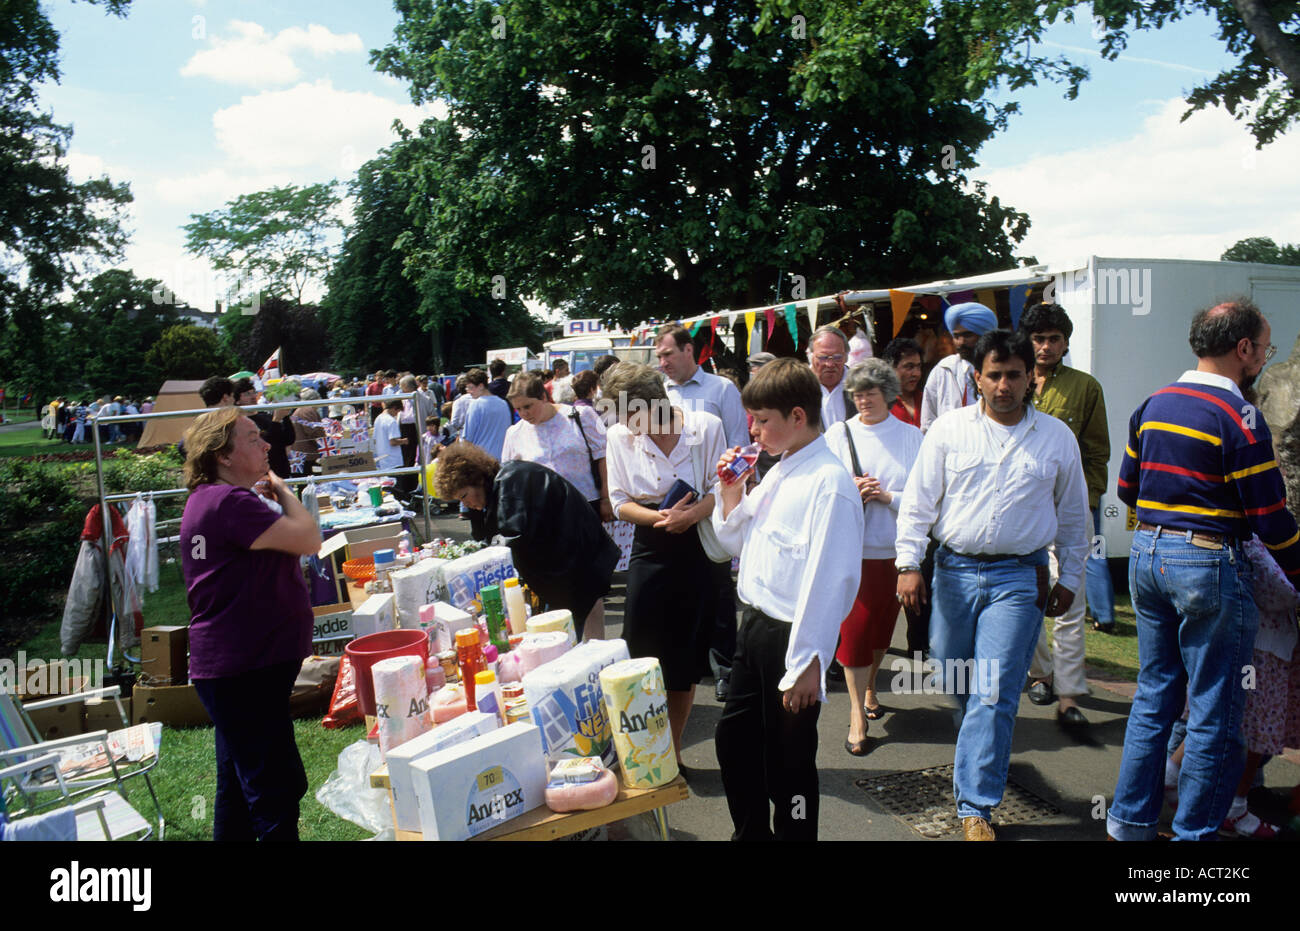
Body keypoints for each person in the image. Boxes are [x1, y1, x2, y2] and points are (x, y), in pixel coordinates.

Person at [1107, 299, 1300, 842]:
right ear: (1243, 350)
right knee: (1215, 709)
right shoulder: (1239, 416)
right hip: (1208, 561)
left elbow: (1126, 489)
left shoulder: (1153, 403)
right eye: (1264, 348)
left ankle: (1127, 825)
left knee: (1154, 698)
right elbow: (1269, 517)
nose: (1264, 357)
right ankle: (1195, 835)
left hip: (1147, 556)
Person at [896, 329, 1089, 841]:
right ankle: (979, 747)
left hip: (1019, 577)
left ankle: (975, 807)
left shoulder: (1056, 437)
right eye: (994, 374)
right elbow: (918, 501)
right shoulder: (948, 431)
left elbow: (1073, 516)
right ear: (977, 377)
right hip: (953, 573)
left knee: (994, 692)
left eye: (1015, 375)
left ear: (1032, 379)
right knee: (954, 676)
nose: (1004, 385)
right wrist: (908, 563)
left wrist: (1070, 575)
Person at [711, 358, 864, 839]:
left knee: (790, 765)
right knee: (736, 743)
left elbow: (829, 581)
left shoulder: (829, 482)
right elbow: (735, 542)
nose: (753, 431)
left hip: (791, 637)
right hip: (755, 629)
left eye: (762, 420)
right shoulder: (779, 470)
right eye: (752, 419)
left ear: (798, 416)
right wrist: (730, 491)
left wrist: (808, 662)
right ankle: (751, 834)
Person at [179, 407, 321, 840]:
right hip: (246, 667)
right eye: (253, 438)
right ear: (222, 455)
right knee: (274, 787)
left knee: (239, 788)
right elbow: (309, 538)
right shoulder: (230, 502)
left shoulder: (208, 499)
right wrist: (281, 488)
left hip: (234, 666)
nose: (266, 445)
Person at [602, 361, 725, 766]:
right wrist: (661, 519)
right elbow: (619, 502)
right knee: (640, 654)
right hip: (650, 547)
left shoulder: (705, 426)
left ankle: (668, 757)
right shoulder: (619, 435)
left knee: (682, 660)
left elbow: (723, 490)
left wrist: (690, 516)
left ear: (655, 403)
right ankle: (639, 754)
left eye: (629, 414)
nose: (624, 424)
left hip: (698, 544)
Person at [1017, 303, 1113, 730]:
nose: (1046, 346)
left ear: (1065, 343)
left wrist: (1089, 502)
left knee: (1071, 596)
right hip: (1023, 508)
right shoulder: (1010, 381)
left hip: (1071, 508)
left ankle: (1070, 691)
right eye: (1039, 339)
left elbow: (1097, 452)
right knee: (1031, 593)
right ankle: (1041, 673)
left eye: (1054, 339)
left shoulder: (1085, 387)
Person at [825, 359, 923, 754]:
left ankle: (869, 689)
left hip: (898, 552)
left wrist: (885, 496)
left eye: (871, 391)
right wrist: (852, 488)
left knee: (882, 628)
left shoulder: (912, 437)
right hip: (851, 549)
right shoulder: (838, 433)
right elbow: (822, 485)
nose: (863, 399)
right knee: (855, 629)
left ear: (888, 392)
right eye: (857, 392)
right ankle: (855, 713)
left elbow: (925, 497)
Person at [434, 441, 619, 640]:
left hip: (576, 556)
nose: (466, 504)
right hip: (573, 555)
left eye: (464, 496)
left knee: (567, 630)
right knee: (582, 616)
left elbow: (509, 540)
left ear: (476, 478)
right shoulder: (505, 481)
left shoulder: (510, 483)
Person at [656, 322, 747, 701]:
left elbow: (741, 449)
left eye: (667, 354)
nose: (662, 362)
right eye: (658, 356)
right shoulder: (655, 394)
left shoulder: (720, 389)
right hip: (666, 512)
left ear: (690, 350)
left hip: (711, 506)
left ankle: (726, 667)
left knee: (718, 589)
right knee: (678, 591)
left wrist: (726, 500)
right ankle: (687, 666)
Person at [502, 371, 613, 523]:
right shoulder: (514, 433)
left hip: (585, 505)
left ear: (543, 397)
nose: (524, 414)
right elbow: (510, 476)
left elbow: (603, 458)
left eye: (527, 406)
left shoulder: (581, 416)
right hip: (543, 512)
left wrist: (606, 498)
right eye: (518, 409)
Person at [919, 302, 997, 432]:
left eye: (967, 335)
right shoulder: (944, 370)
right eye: (956, 336)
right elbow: (928, 424)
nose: (961, 342)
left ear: (985, 335)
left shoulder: (1002, 369)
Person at [234, 377, 295, 480]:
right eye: (247, 394)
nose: (253, 396)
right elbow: (265, 445)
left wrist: (285, 416)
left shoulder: (266, 416)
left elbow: (289, 439)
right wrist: (276, 420)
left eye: (253, 392)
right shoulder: (240, 423)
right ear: (237, 401)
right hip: (262, 478)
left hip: (281, 473)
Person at [805, 325, 855, 431]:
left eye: (837, 357)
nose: (830, 364)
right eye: (823, 357)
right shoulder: (797, 387)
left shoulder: (860, 385)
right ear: (810, 356)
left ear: (846, 356)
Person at [462, 368, 512, 460]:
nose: (468, 391)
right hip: (502, 459)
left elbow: (467, 439)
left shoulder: (475, 405)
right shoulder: (503, 403)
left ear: (481, 386)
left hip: (481, 461)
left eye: (470, 387)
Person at [882, 337, 924, 429]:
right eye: (909, 367)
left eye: (918, 367)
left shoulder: (926, 400)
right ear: (891, 367)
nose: (916, 373)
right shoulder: (881, 404)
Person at [372, 399, 407, 474]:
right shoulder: (391, 421)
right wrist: (404, 441)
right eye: (397, 411)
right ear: (394, 408)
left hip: (382, 461)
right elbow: (393, 442)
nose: (397, 414)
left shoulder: (377, 419)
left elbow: (375, 439)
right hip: (394, 461)